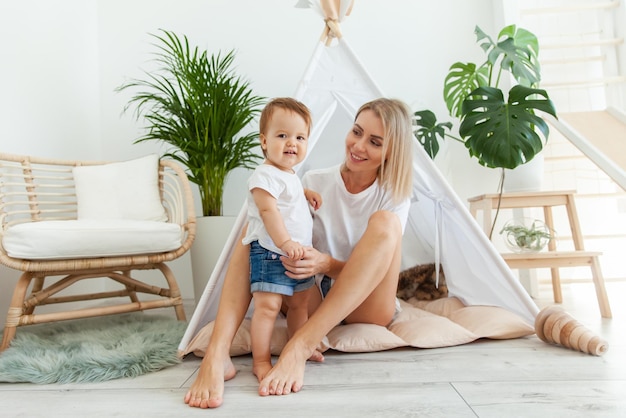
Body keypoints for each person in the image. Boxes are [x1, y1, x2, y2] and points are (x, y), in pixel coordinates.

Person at [184, 97, 414, 409]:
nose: (358, 146)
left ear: (391, 151)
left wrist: (327, 263)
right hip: (312, 293)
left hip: (369, 303)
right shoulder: (314, 180)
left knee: (386, 223)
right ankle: (216, 354)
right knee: (255, 228)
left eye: (374, 142)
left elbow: (373, 270)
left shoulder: (395, 195)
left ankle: (299, 347)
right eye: (356, 132)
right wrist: (306, 261)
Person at [242, 97, 322, 381]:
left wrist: (305, 193)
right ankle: (261, 361)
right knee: (268, 307)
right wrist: (286, 242)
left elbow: (289, 198)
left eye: (300, 137)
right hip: (272, 253)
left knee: (300, 305)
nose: (292, 143)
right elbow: (268, 210)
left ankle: (299, 347)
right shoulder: (263, 175)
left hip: (297, 254)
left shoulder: (290, 175)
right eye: (282, 135)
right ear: (264, 141)